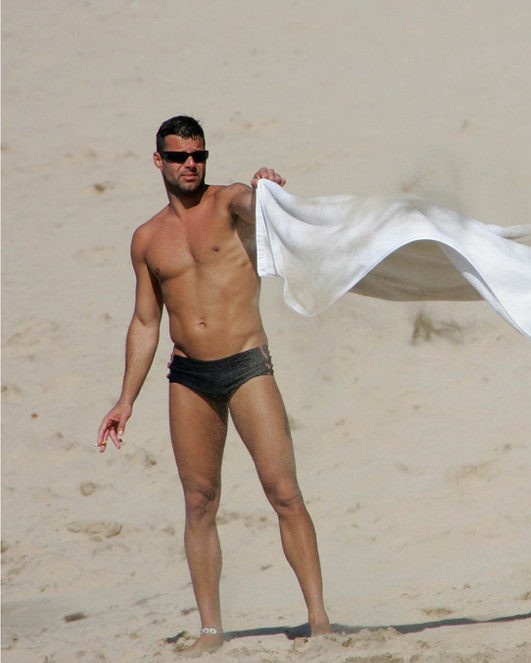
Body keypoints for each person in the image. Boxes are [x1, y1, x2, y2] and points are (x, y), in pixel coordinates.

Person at [97, 115, 331, 655]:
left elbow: (258, 206)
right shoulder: (148, 239)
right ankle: (210, 629)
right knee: (199, 500)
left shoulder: (229, 202)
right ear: (159, 160)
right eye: (179, 156)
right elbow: (146, 322)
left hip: (246, 363)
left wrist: (266, 189)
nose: (190, 165)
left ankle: (318, 618)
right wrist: (125, 399)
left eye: (198, 155)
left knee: (284, 492)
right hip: (189, 376)